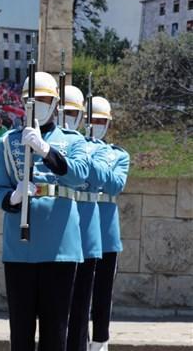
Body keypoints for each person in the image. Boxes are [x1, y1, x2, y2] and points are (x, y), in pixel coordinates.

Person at [0, 72, 89, 351]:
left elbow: (80, 174)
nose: (39, 105)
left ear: (57, 103)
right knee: (20, 333)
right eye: (32, 100)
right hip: (20, 246)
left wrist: (46, 150)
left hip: (59, 247)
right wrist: (13, 196)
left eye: (45, 99)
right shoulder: (10, 141)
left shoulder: (73, 140)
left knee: (55, 332)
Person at [62, 87, 109, 351]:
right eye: (65, 112)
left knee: (81, 303)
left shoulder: (96, 149)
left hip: (85, 230)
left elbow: (102, 177)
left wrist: (79, 160)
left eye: (74, 113)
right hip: (59, 232)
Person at [88, 97, 130, 351]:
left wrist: (92, 162)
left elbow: (115, 185)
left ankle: (100, 342)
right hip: (79, 230)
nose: (96, 125)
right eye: (92, 120)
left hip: (105, 232)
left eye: (101, 121)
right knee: (75, 295)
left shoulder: (118, 155)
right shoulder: (76, 149)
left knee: (102, 294)